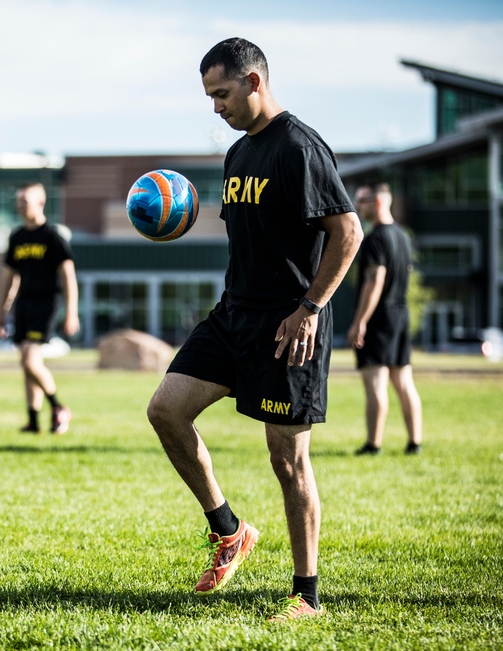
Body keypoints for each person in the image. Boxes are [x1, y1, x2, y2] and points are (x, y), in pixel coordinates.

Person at [146, 37, 363, 621]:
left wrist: (311, 307)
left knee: (287, 460)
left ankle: (306, 596)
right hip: (233, 315)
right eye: (209, 96)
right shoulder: (238, 154)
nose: (215, 106)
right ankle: (229, 530)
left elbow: (348, 234)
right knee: (165, 409)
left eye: (221, 93)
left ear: (253, 81)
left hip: (289, 325)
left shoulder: (300, 147)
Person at [0, 182, 79, 435]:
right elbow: (10, 277)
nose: (20, 206)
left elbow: (68, 276)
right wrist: (0, 310)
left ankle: (58, 407)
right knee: (28, 364)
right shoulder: (17, 237)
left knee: (29, 360)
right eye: (18, 201)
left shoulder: (52, 236)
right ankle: (33, 421)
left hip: (45, 304)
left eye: (25, 201)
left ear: (40, 203)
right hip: (24, 305)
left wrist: (71, 311)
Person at [346, 182, 423, 456]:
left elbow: (374, 279)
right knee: (404, 382)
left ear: (377, 203)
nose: (357, 206)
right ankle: (415, 442)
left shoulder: (375, 239)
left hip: (380, 317)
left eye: (362, 201)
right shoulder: (402, 236)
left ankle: (373, 444)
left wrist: (360, 321)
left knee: (375, 382)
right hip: (401, 314)